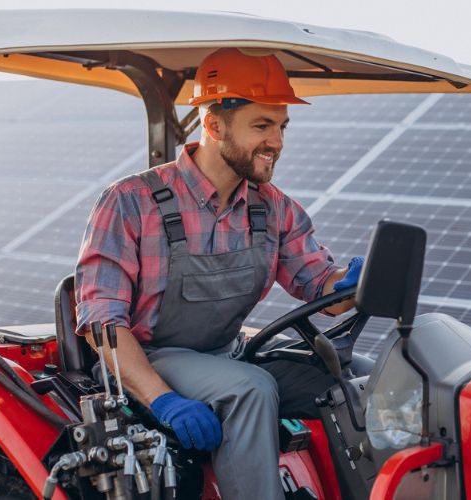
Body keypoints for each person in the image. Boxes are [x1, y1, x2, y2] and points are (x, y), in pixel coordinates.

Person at [75, 48, 369, 500]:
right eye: (262, 126)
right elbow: (102, 323)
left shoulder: (271, 207)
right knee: (249, 389)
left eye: (281, 126)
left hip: (225, 355)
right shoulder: (131, 201)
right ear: (214, 126)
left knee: (363, 376)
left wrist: (348, 286)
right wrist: (163, 399)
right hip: (149, 359)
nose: (277, 141)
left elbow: (319, 284)